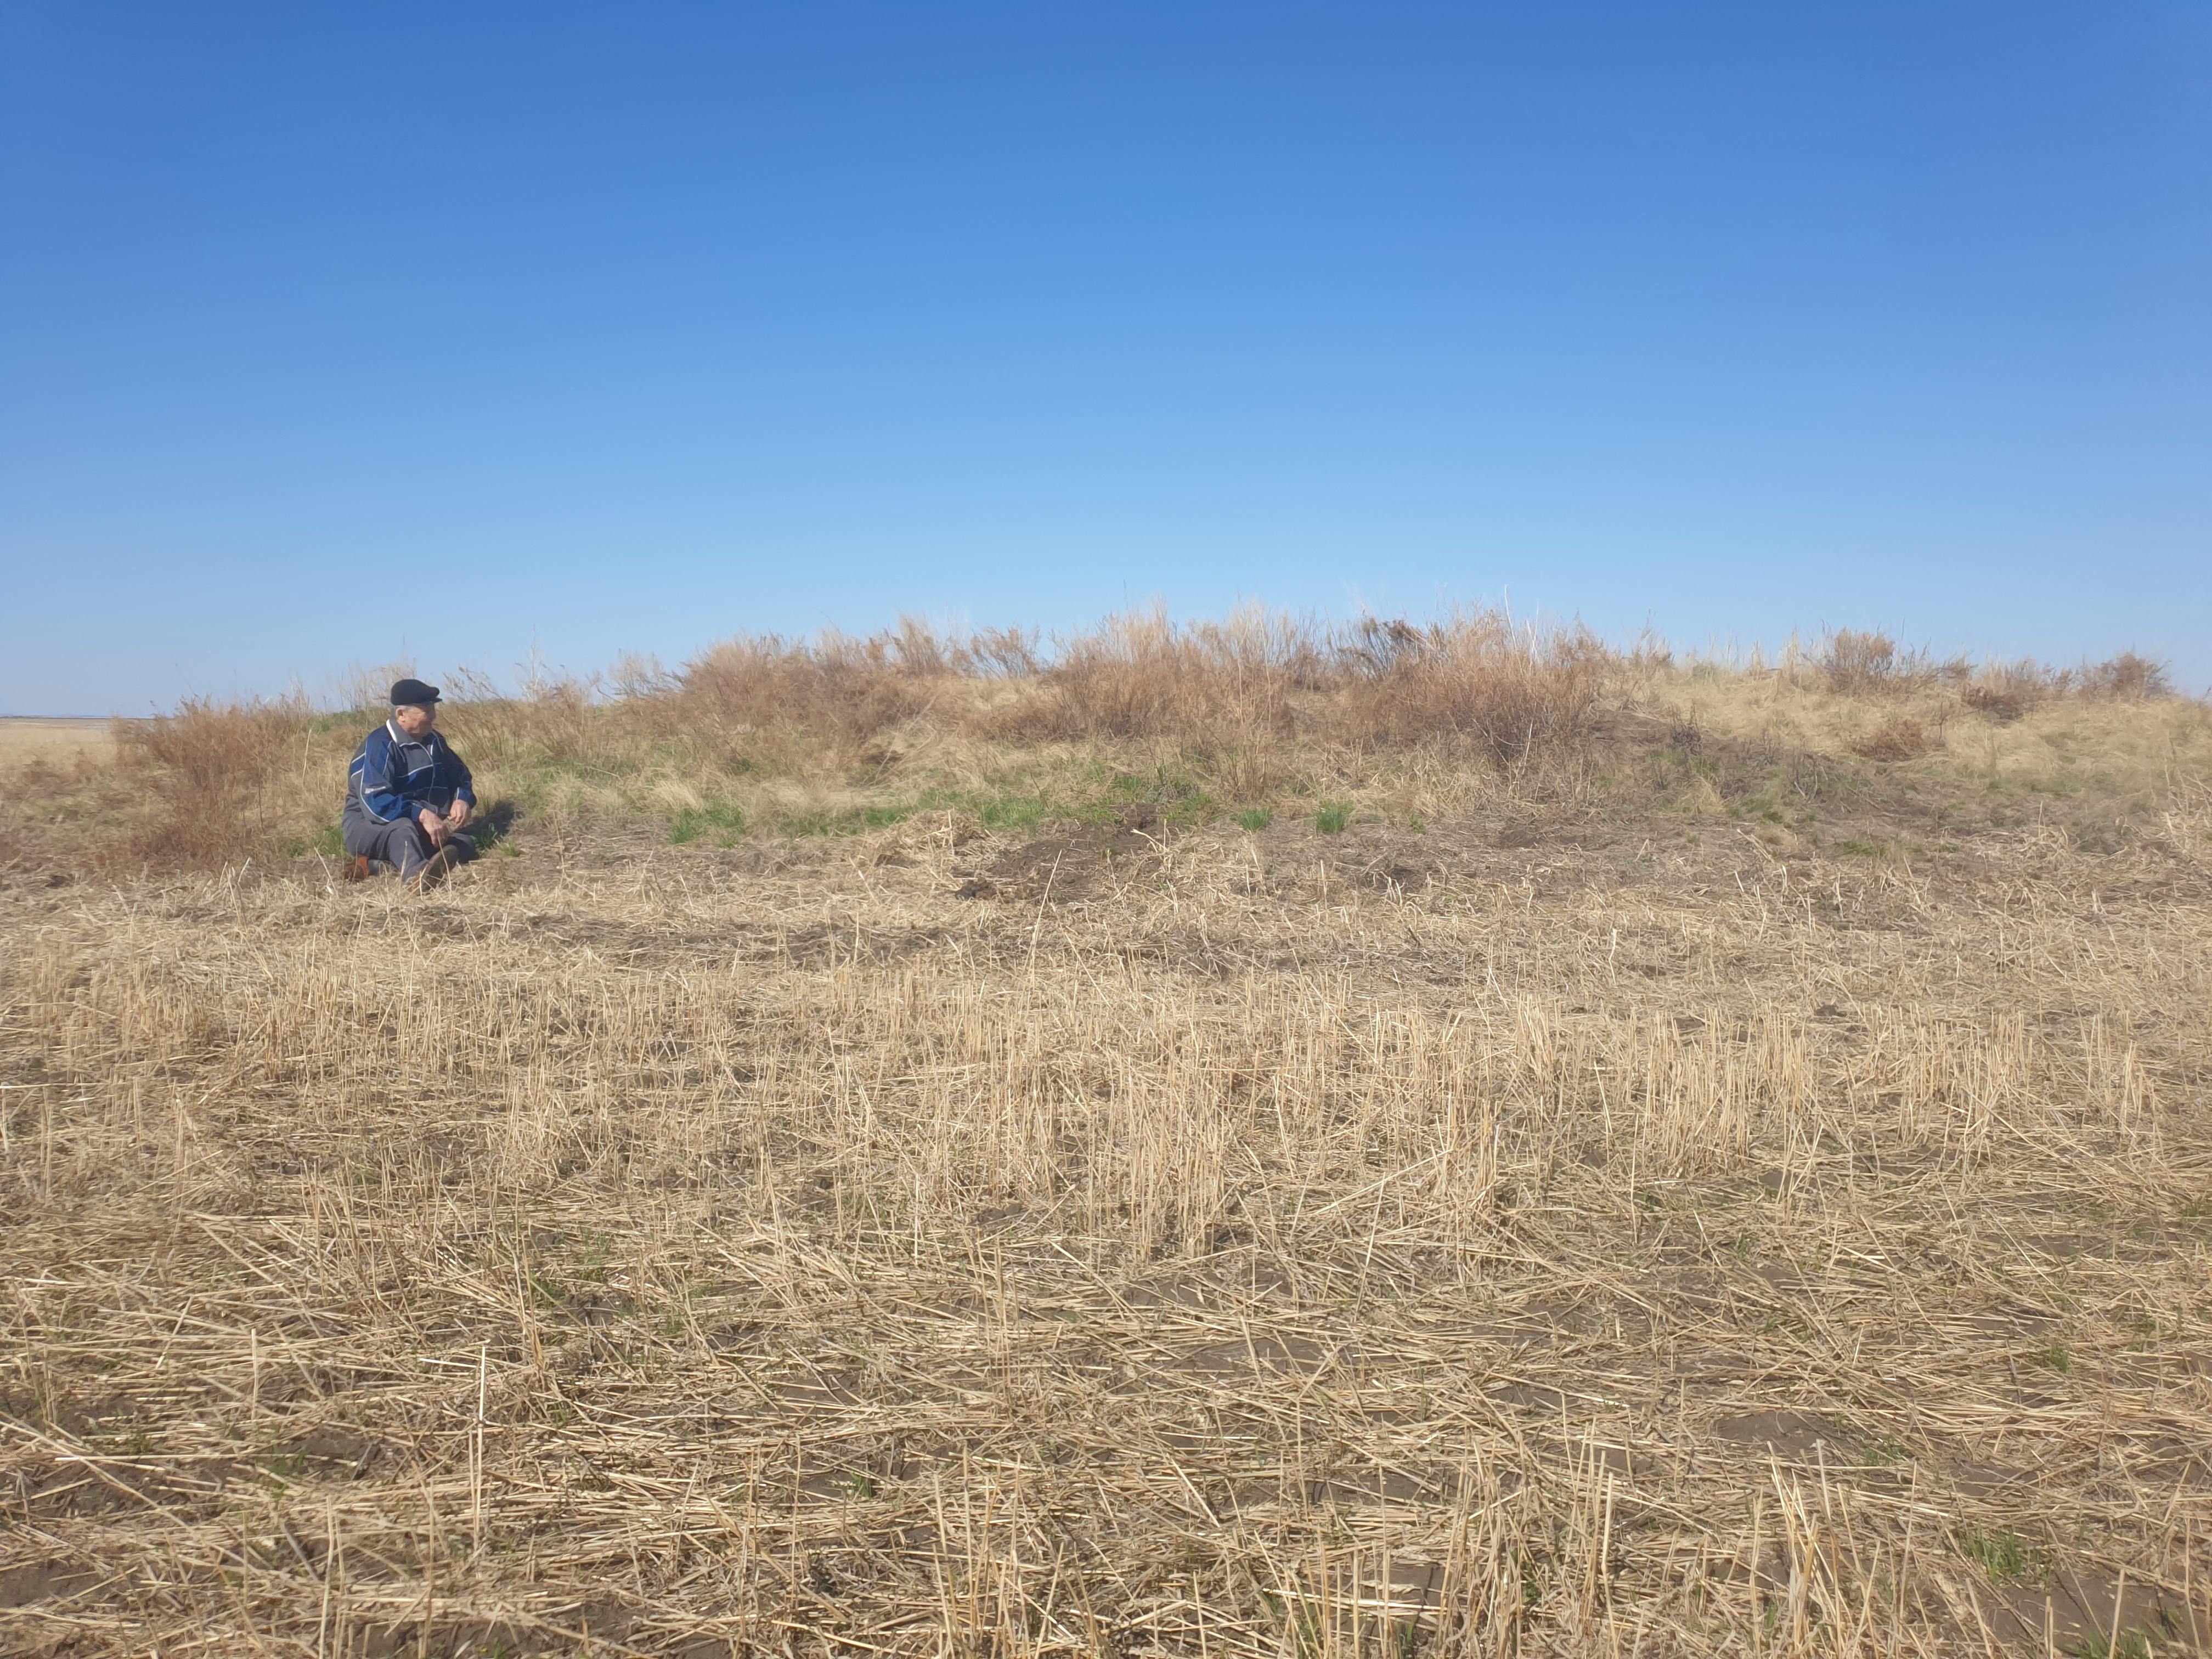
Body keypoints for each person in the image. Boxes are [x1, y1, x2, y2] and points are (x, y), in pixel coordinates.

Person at [342, 678, 479, 890]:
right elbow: (376, 804)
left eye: (433, 708)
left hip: (418, 824)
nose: (433, 716)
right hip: (368, 826)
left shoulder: (435, 742)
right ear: (401, 715)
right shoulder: (379, 746)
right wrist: (422, 814)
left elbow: (461, 776)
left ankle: (375, 866)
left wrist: (462, 799)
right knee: (403, 831)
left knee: (465, 844)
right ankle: (417, 877)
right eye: (425, 709)